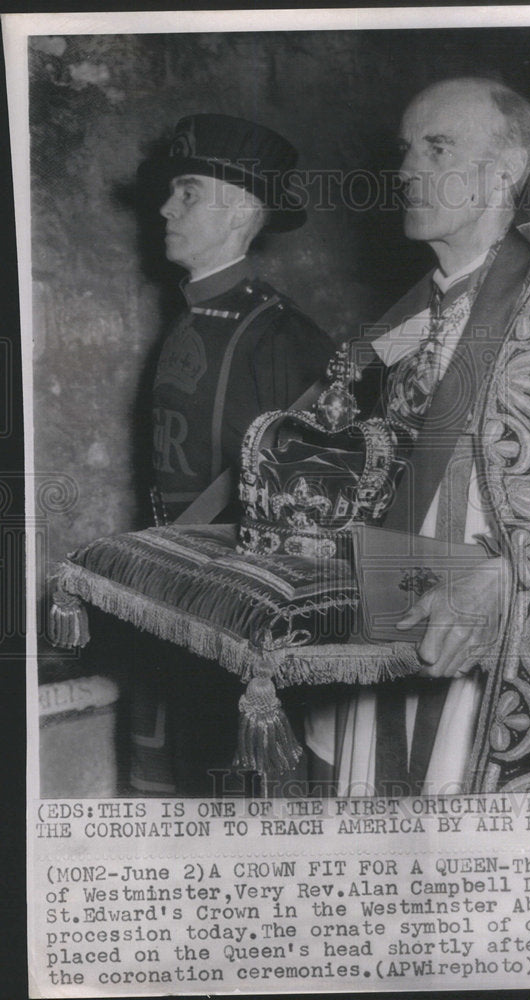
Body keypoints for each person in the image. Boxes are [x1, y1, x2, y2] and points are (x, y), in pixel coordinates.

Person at [303, 77, 530, 796]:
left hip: (495, 658)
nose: (406, 169)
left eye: (437, 148)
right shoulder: (406, 321)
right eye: (407, 149)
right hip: (394, 618)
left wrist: (506, 587)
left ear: (505, 171)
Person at [129, 114, 334, 793]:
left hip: (241, 629)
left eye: (187, 192)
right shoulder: (192, 316)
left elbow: (308, 521)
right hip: (179, 604)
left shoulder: (280, 338)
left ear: (241, 209)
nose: (165, 208)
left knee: (243, 799)